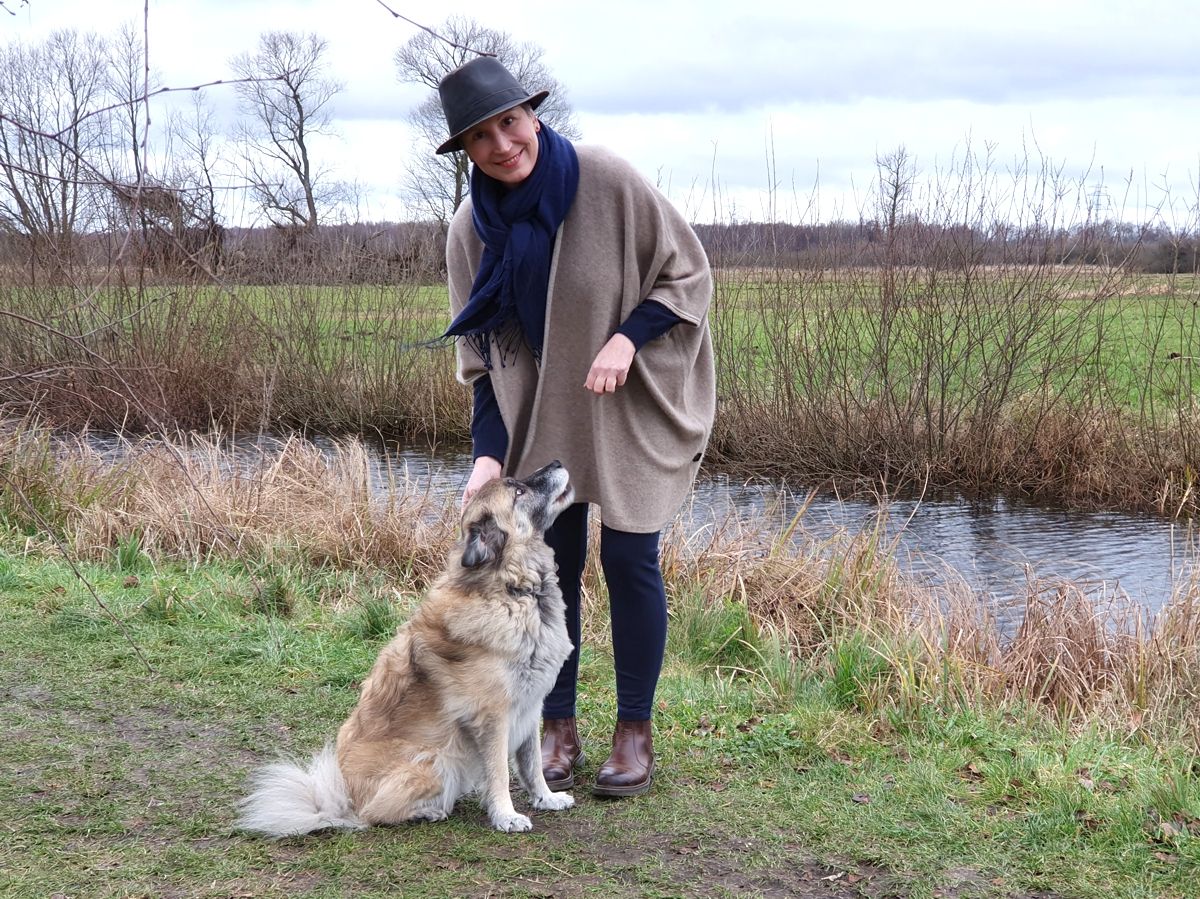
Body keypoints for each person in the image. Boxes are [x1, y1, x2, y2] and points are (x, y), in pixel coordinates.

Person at [436, 56, 715, 798]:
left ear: (532, 115)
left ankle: (634, 729)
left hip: (625, 408)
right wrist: (488, 455)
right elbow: (483, 357)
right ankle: (555, 727)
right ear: (465, 150)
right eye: (480, 135)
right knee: (548, 569)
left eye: (509, 121)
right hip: (543, 420)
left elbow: (686, 275)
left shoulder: (607, 181)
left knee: (630, 560)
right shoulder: (471, 230)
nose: (501, 144)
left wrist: (627, 337)